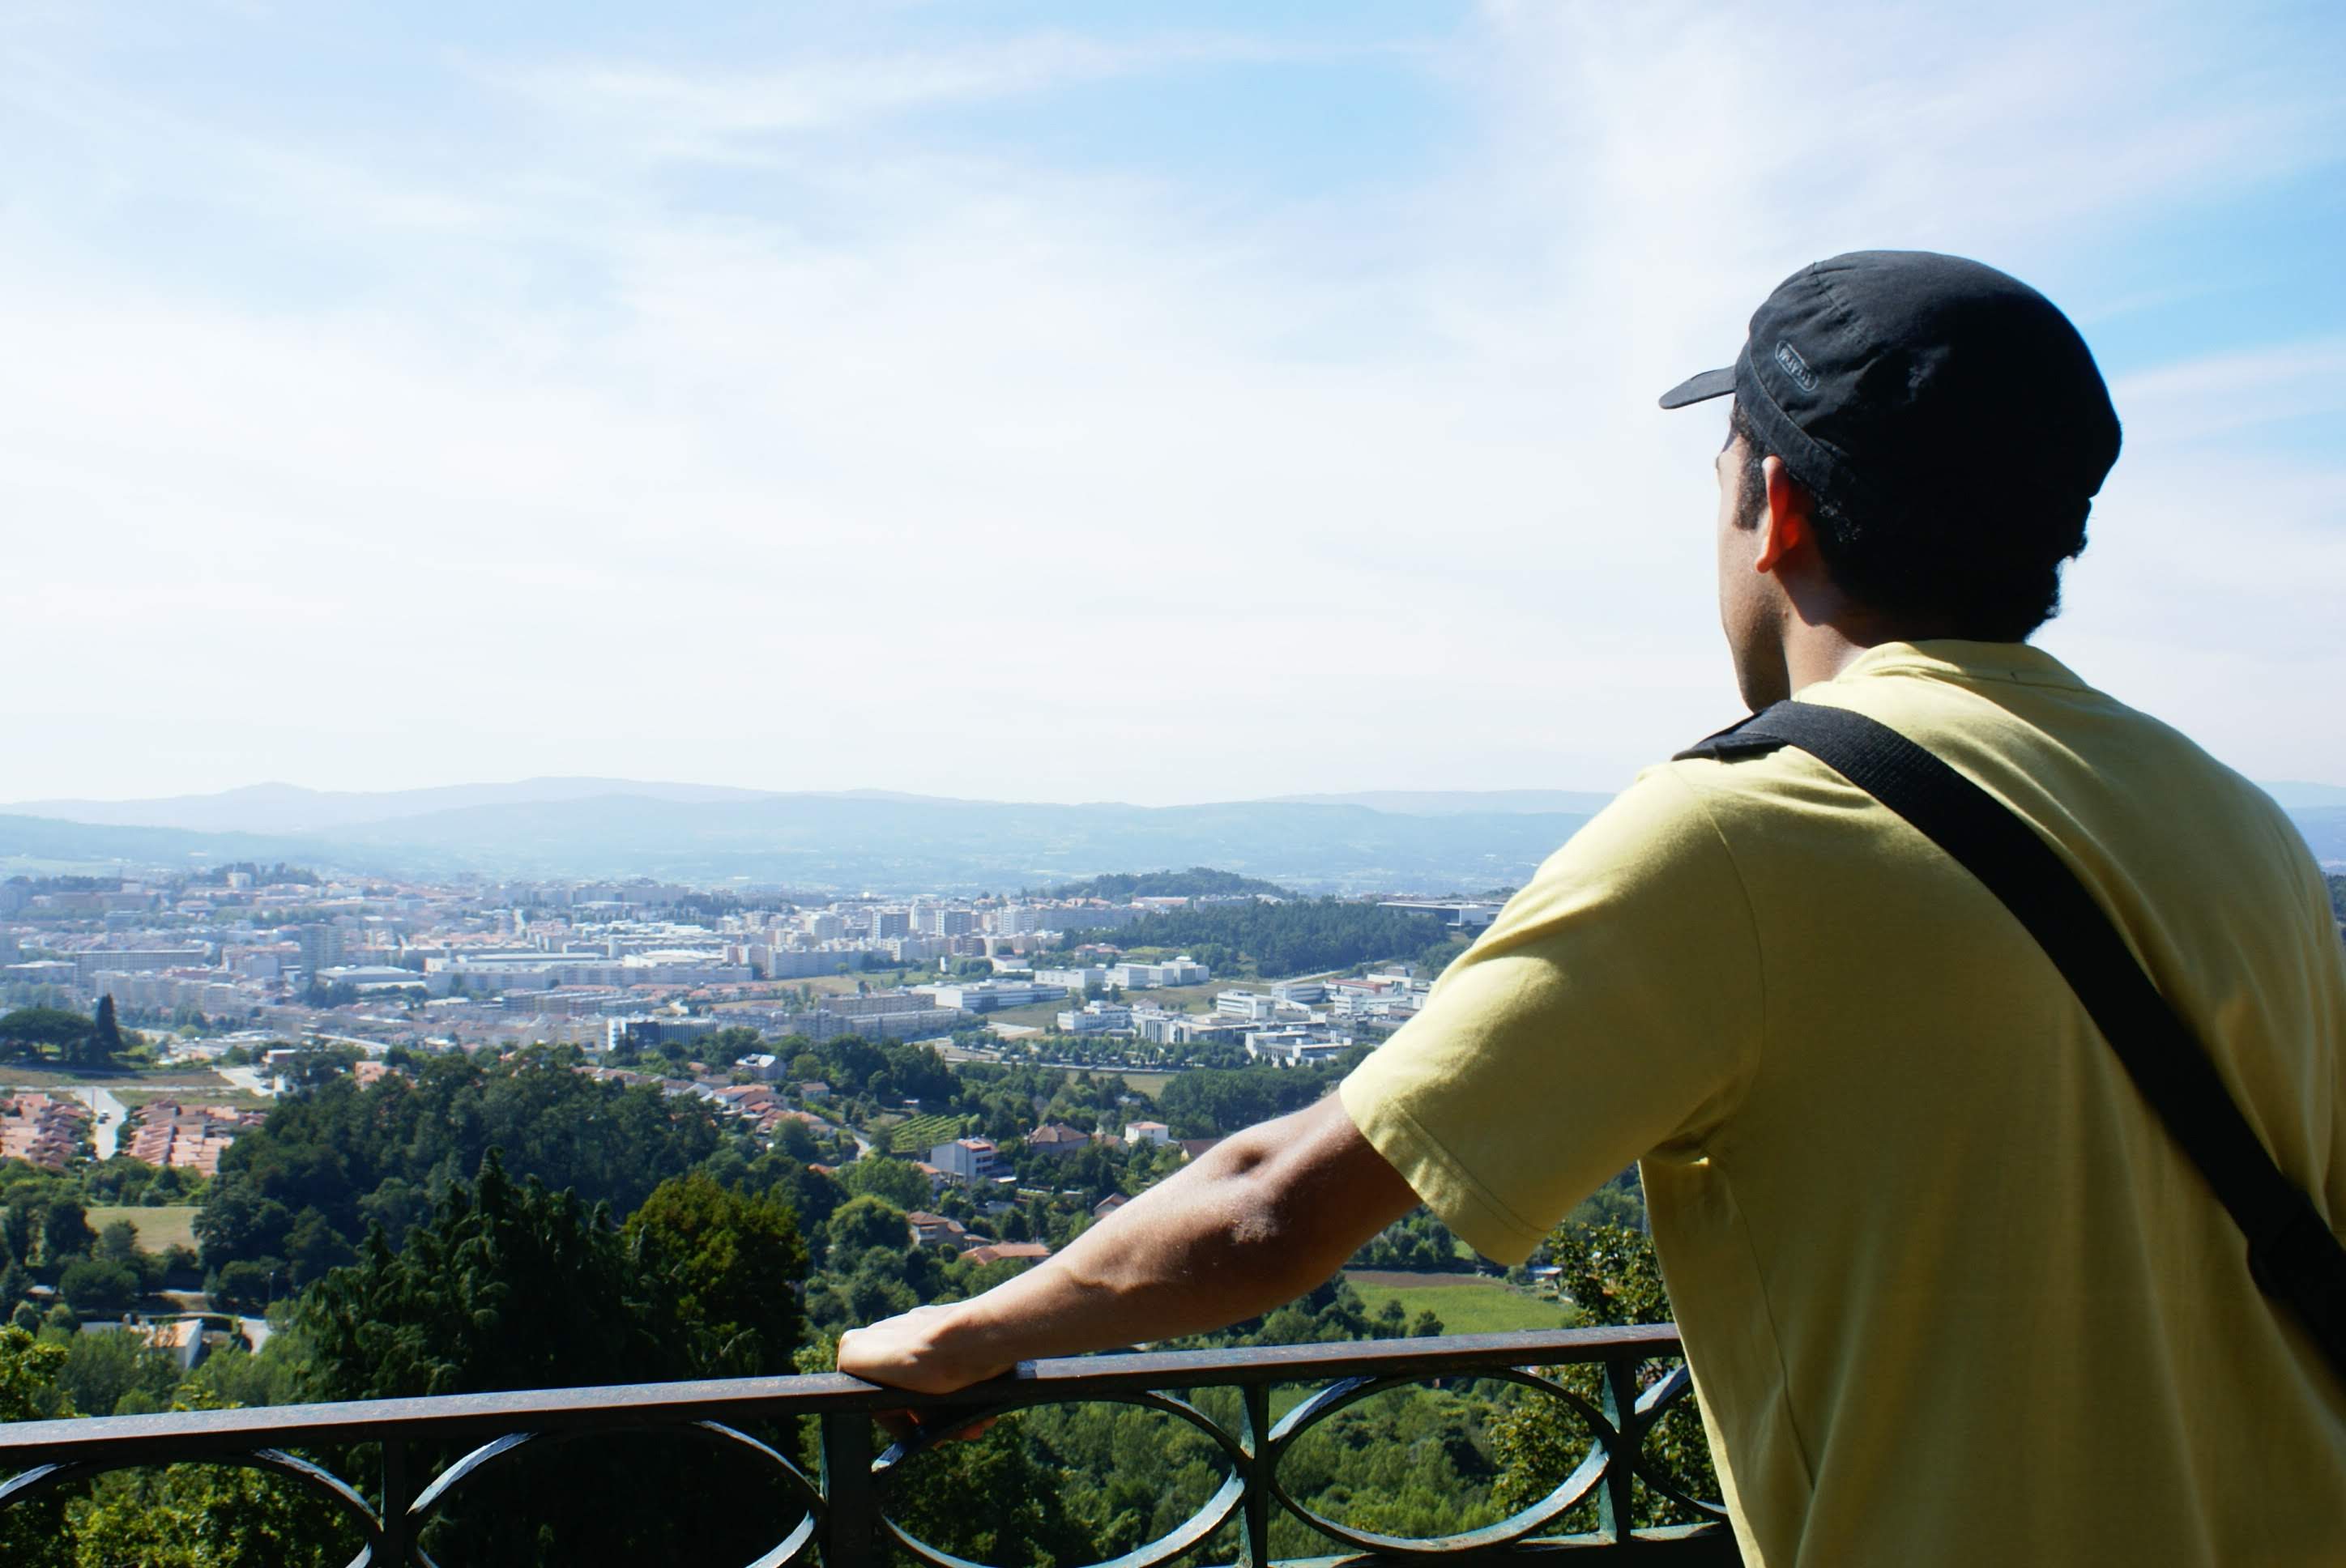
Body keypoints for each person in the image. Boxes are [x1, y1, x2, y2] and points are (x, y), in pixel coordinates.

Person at [839, 251, 2346, 1565]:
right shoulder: (2233, 819)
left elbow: (1274, 1208)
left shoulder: (1744, 833)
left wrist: (960, 1330)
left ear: (1779, 514)